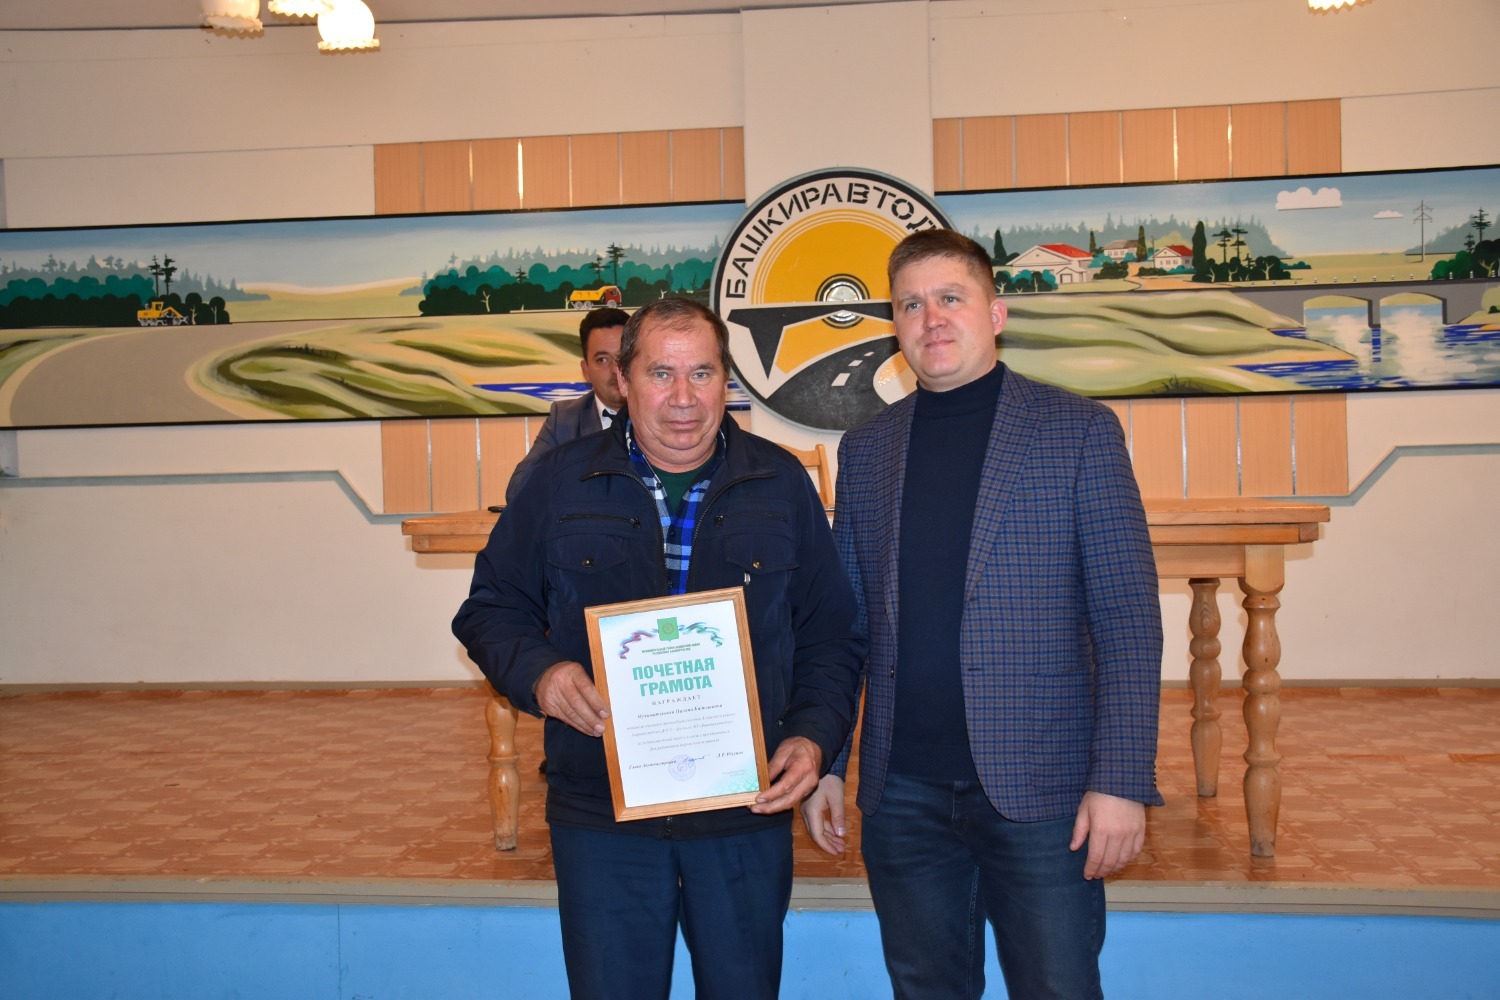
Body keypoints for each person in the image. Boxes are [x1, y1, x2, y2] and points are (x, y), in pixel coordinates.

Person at [454, 297, 863, 1000]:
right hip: (601, 812)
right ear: (622, 381)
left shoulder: (780, 482)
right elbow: (490, 609)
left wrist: (814, 736)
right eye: (661, 374)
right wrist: (543, 675)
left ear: (726, 381)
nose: (683, 398)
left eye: (702, 373)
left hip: (743, 809)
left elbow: (832, 632)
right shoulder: (559, 481)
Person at [801, 229, 1163, 1000]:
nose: (931, 318)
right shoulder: (867, 449)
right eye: (911, 304)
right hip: (903, 793)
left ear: (995, 314)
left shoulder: (1079, 431)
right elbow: (846, 628)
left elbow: (1128, 618)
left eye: (950, 298)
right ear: (895, 326)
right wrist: (828, 761)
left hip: (1043, 795)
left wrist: (1121, 779)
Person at [504, 306, 629, 504]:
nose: (615, 370)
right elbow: (518, 490)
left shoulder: (658, 413)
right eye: (602, 359)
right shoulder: (564, 419)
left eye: (622, 358)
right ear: (586, 371)